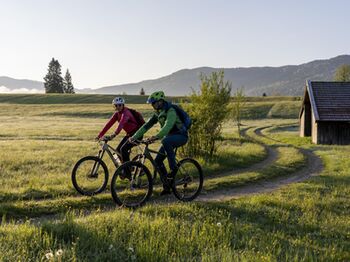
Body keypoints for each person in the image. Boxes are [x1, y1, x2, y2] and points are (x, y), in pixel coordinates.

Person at [129, 91, 188, 195]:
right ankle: (167, 186)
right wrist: (134, 137)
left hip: (181, 136)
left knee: (165, 140)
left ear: (160, 101)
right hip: (169, 138)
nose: (152, 105)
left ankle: (173, 170)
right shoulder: (158, 113)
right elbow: (146, 126)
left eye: (154, 103)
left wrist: (156, 137)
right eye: (151, 103)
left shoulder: (171, 111)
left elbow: (167, 126)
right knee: (157, 161)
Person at [95, 97, 143, 166]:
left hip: (137, 134)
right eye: (116, 105)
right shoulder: (117, 114)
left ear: (123, 105)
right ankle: (125, 168)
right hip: (129, 134)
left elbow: (121, 124)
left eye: (120, 105)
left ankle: (127, 170)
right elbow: (108, 124)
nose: (118, 107)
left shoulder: (126, 113)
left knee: (123, 150)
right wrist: (100, 135)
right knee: (118, 151)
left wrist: (114, 134)